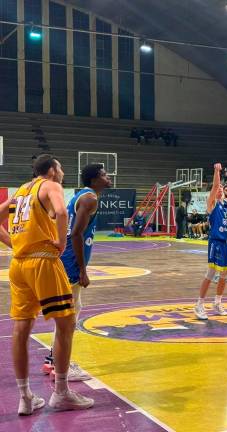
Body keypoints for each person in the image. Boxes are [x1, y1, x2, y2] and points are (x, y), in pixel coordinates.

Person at [0, 154, 94, 415]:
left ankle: (25, 397)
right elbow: (62, 212)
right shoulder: (50, 185)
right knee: (66, 324)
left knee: (21, 328)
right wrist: (62, 244)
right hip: (43, 262)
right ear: (52, 170)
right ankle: (61, 393)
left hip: (18, 266)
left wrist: (15, 244)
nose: (62, 171)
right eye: (61, 166)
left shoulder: (21, 191)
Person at [41, 164, 112, 381]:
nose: (108, 177)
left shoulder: (80, 195)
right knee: (69, 317)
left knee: (71, 311)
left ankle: (52, 359)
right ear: (94, 179)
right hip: (71, 262)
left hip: (67, 259)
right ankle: (59, 365)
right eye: (104, 174)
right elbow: (76, 234)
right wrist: (82, 269)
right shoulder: (90, 199)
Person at [194, 163, 227, 321]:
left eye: (222, 189)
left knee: (224, 274)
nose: (220, 189)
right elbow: (216, 185)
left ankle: (217, 303)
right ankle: (199, 305)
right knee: (211, 273)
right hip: (216, 242)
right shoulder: (212, 205)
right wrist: (217, 171)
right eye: (219, 188)